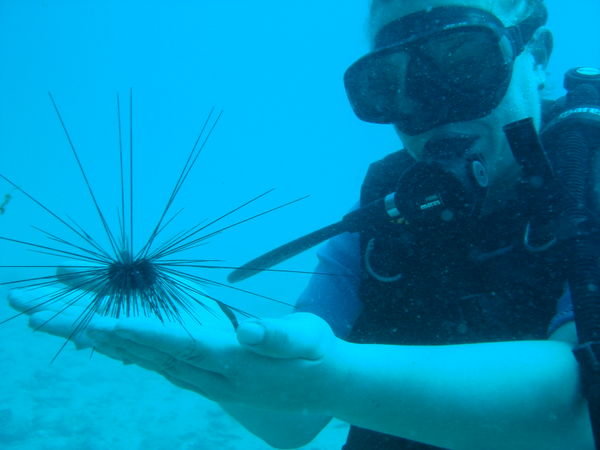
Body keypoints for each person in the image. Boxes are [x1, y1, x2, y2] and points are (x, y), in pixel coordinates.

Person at [8, 0, 597, 448]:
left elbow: (578, 409)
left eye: (464, 63)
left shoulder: (587, 177)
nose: (430, 106)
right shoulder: (378, 218)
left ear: (537, 56)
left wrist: (331, 378)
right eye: (390, 84)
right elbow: (293, 420)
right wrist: (216, 358)